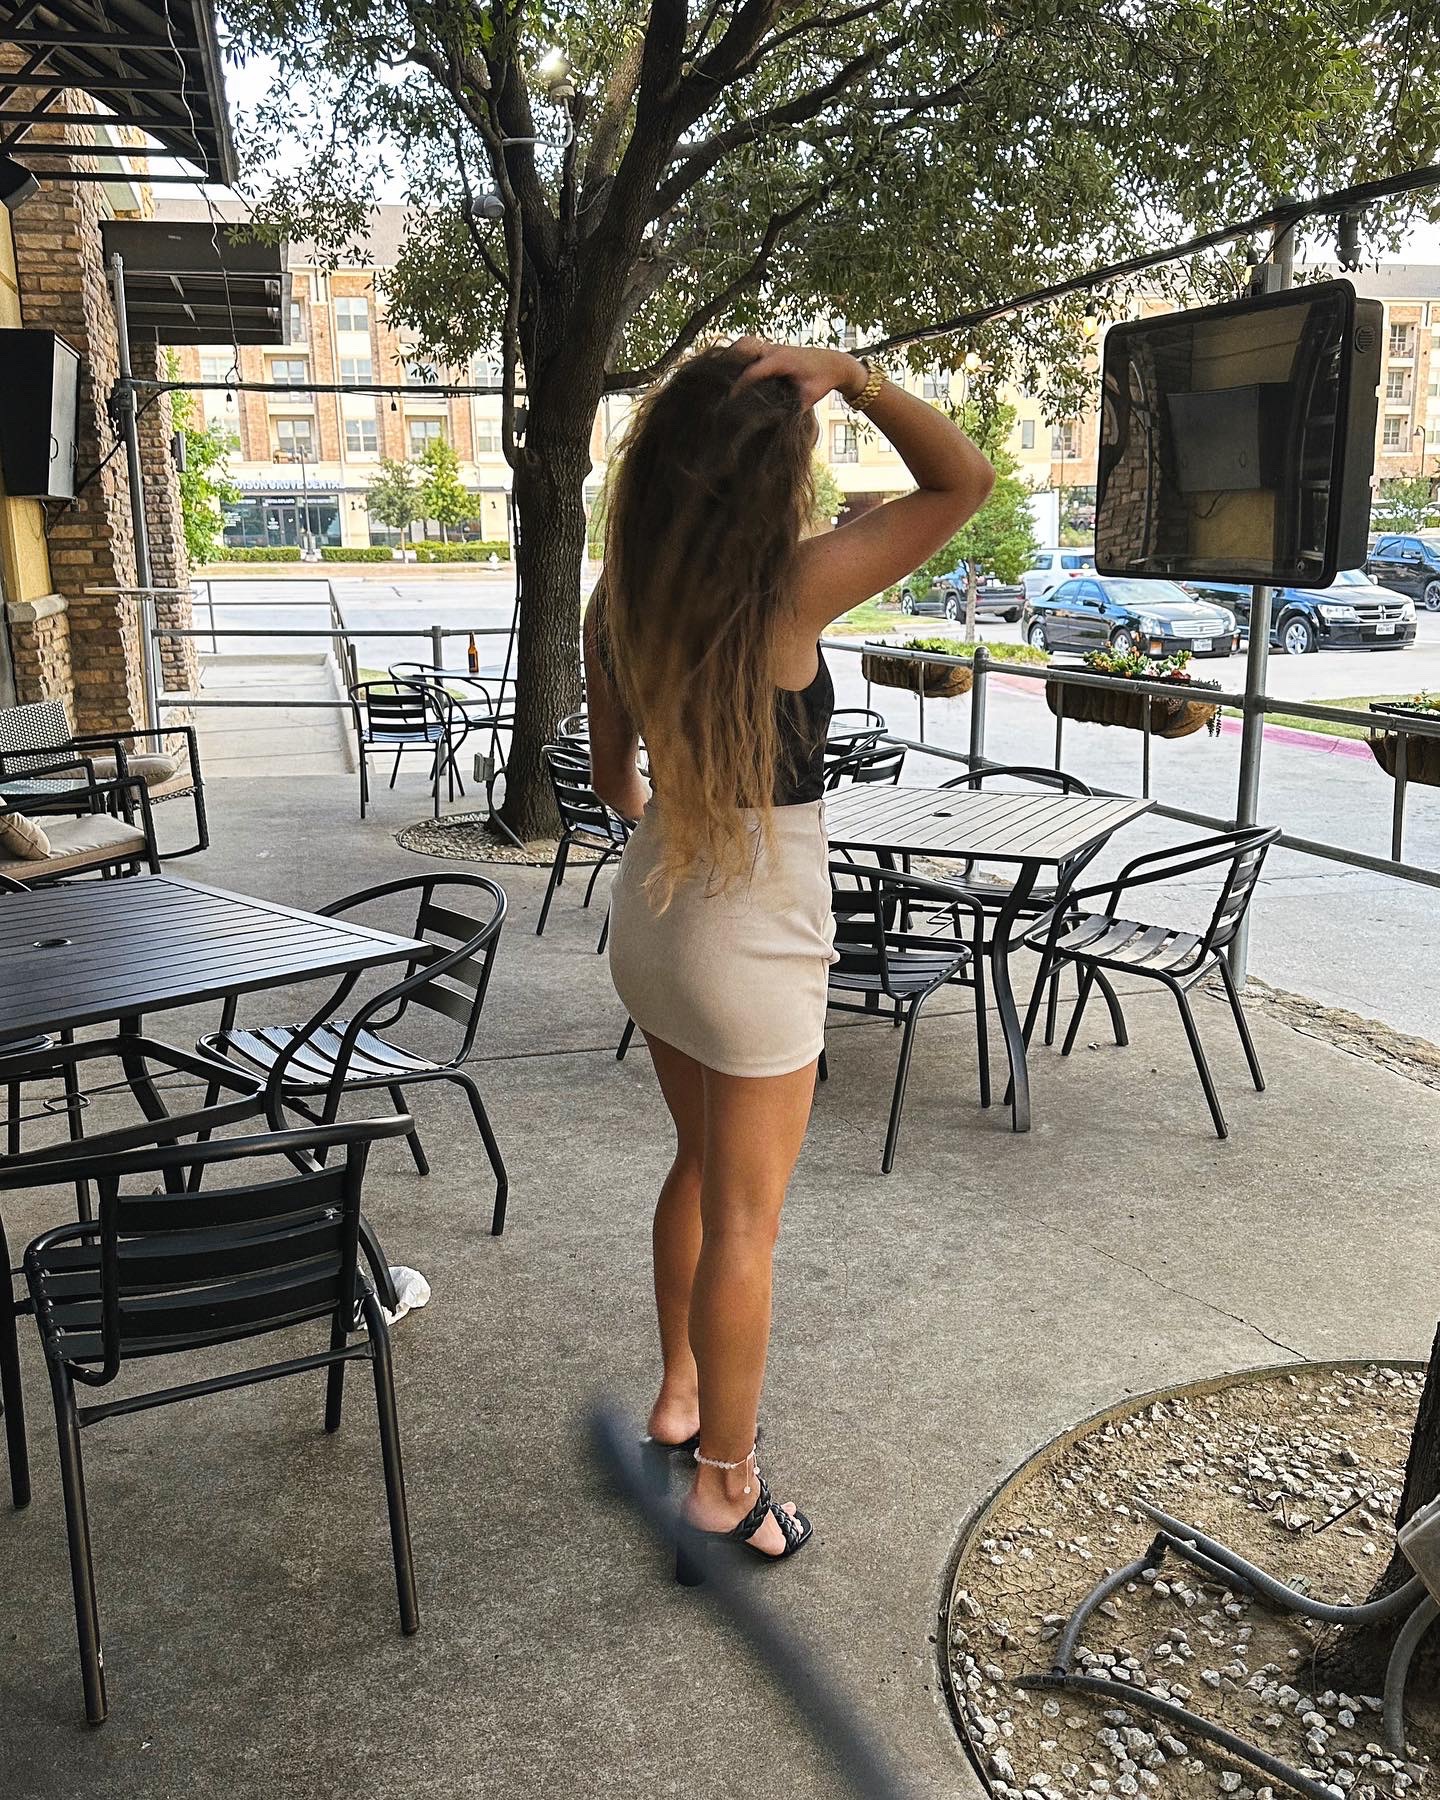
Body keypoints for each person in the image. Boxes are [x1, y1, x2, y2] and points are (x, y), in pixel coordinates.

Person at [584, 338, 995, 1579]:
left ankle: (678, 1397)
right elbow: (963, 481)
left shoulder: (618, 598)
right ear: (771, 477)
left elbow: (613, 781)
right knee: (746, 1222)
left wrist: (685, 817)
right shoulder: (790, 593)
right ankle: (726, 1488)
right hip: (753, 934)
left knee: (698, 1166)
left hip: (653, 917)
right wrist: (854, 377)